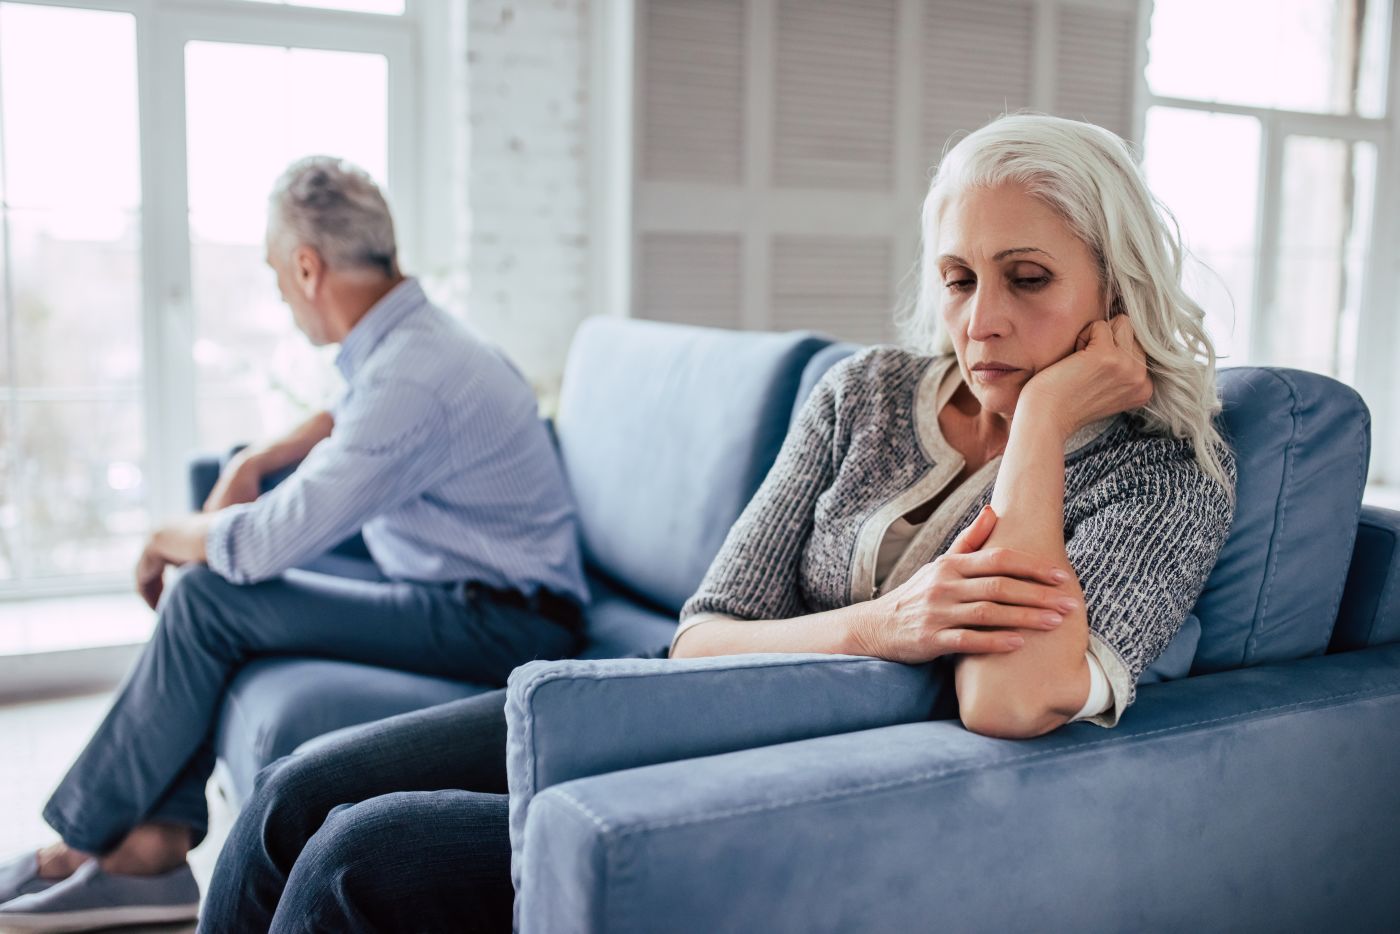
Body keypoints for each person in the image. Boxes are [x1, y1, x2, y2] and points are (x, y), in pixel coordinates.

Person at [192, 113, 1235, 932]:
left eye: (1028, 278)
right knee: (295, 793)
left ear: (1116, 285)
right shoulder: (863, 391)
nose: (979, 321)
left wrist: (1044, 423)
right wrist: (879, 625)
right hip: (672, 708)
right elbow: (699, 636)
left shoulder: (1162, 478)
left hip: (792, 794)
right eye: (957, 278)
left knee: (359, 859)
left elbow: (1008, 698)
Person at [0, 156, 588, 932]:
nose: (280, 294)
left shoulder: (413, 371)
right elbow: (345, 413)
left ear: (307, 267)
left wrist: (161, 538)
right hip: (460, 586)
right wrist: (257, 458)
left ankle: (95, 845)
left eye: (277, 275)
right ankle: (150, 842)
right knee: (212, 590)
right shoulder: (411, 338)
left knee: (211, 590)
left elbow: (261, 543)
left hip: (505, 622)